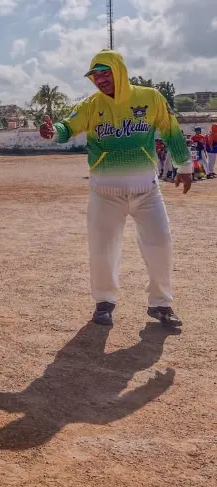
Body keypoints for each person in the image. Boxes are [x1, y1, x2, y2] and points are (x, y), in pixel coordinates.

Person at [39, 49, 192, 327]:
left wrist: (184, 166)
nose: (99, 79)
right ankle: (104, 302)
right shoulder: (91, 104)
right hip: (104, 194)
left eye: (105, 73)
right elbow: (68, 126)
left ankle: (161, 304)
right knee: (102, 249)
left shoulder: (150, 97)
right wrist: (54, 132)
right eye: (95, 75)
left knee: (160, 244)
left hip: (146, 190)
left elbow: (170, 128)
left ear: (119, 71)